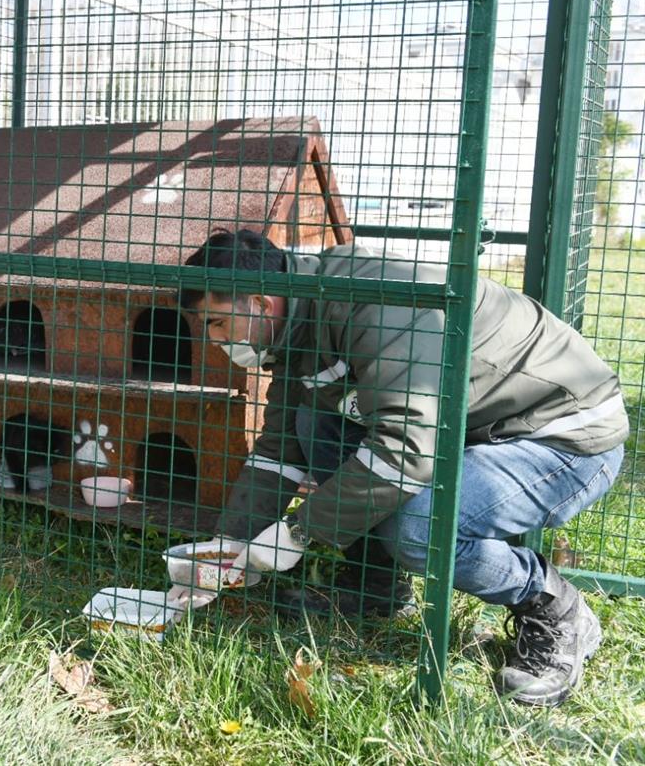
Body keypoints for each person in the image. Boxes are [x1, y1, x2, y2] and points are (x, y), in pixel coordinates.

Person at [179, 230, 627, 707]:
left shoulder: (375, 306)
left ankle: (553, 608)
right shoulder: (299, 320)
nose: (213, 340)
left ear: (261, 303)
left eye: (217, 322)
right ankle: (375, 586)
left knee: (419, 527)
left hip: (561, 439)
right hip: (469, 432)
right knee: (313, 420)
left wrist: (297, 533)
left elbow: (407, 449)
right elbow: (279, 446)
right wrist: (230, 544)